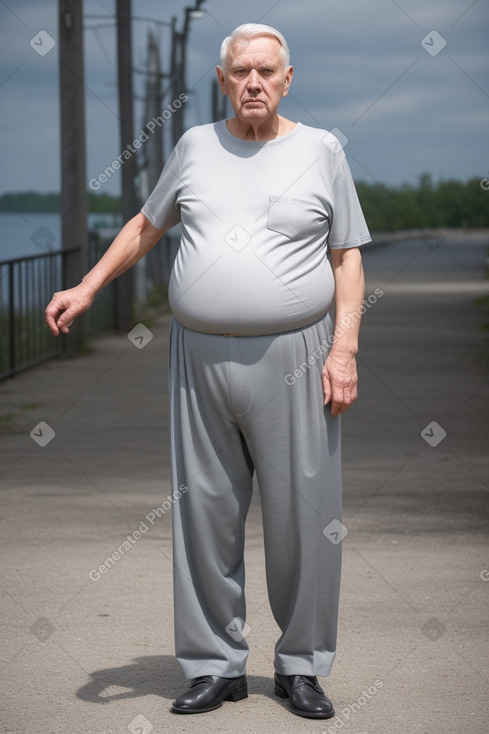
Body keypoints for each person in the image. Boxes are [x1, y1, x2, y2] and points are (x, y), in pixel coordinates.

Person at [45, 23, 371, 720]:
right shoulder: (195, 146)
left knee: (304, 520)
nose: (252, 82)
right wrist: (89, 286)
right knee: (202, 515)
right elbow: (145, 223)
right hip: (198, 358)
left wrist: (342, 350)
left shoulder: (320, 151)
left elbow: (346, 255)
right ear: (222, 81)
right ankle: (213, 666)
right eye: (239, 71)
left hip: (297, 357)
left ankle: (301, 667)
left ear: (288, 79)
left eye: (265, 71)